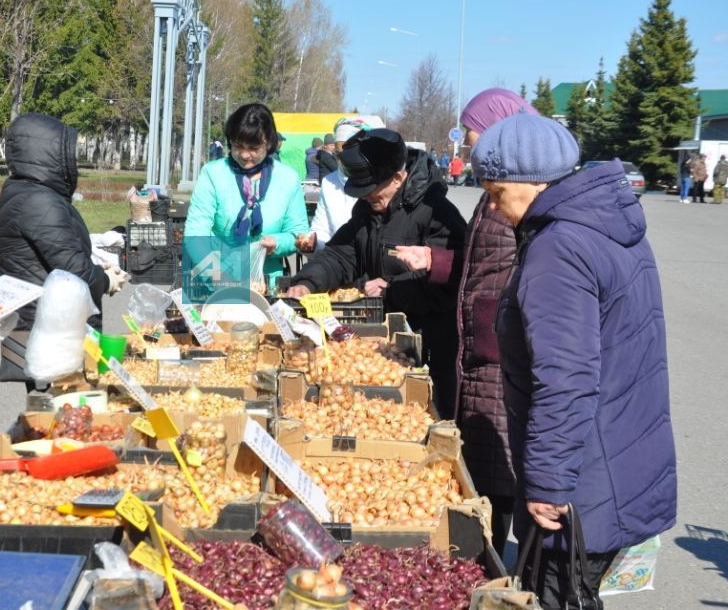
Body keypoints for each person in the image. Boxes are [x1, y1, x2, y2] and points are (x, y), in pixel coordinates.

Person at [472, 112, 676, 609]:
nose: (494, 209)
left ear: (531, 182)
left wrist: (547, 481)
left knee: (558, 595)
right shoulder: (604, 224)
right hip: (620, 454)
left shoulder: (559, 246)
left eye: (497, 192)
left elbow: (565, 378)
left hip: (588, 473)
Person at [392, 87, 538, 557]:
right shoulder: (494, 190)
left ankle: (497, 570)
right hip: (482, 348)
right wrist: (432, 260)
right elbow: (479, 265)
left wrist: (497, 321)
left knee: (499, 475)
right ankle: (490, 561)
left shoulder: (522, 190)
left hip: (500, 351)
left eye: (475, 136)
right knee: (484, 472)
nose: (471, 147)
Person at [286, 128, 467, 419]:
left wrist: (393, 287)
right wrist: (308, 282)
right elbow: (341, 253)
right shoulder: (368, 209)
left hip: (430, 343)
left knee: (430, 414)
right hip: (383, 339)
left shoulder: (437, 212)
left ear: (398, 177)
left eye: (372, 188)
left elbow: (454, 276)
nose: (367, 196)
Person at [0, 113, 127, 389]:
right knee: (54, 415)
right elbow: (73, 269)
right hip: (47, 336)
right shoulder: (38, 201)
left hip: (42, 330)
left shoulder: (27, 193)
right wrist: (105, 280)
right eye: (67, 152)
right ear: (50, 153)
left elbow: (58, 253)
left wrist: (98, 268)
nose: (73, 160)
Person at [184, 103, 308, 284]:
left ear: (270, 143)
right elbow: (196, 233)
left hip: (266, 283)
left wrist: (278, 243)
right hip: (215, 279)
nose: (244, 154)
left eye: (253, 148)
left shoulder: (288, 178)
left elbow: (297, 234)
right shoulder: (213, 173)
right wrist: (216, 276)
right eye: (237, 146)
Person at [304, 117, 382, 252]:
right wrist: (314, 244)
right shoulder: (329, 183)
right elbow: (322, 229)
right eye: (338, 154)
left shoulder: (382, 182)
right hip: (339, 264)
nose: (343, 159)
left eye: (349, 152)